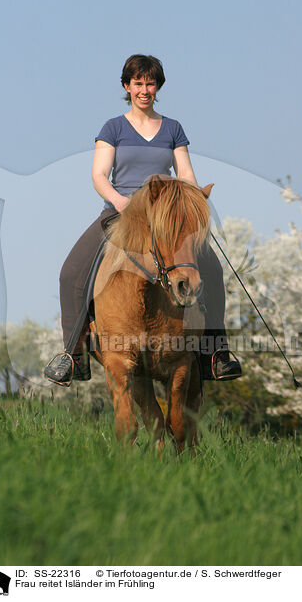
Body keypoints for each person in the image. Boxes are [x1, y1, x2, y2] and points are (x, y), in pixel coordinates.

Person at [44, 54, 242, 385]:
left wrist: (191, 204)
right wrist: (120, 200)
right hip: (121, 213)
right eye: (138, 83)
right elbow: (99, 175)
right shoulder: (113, 128)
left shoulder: (173, 128)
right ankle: (72, 354)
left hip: (165, 216)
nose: (144, 89)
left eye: (150, 83)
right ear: (127, 86)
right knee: (71, 274)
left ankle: (216, 353)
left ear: (157, 87)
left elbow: (186, 175)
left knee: (211, 267)